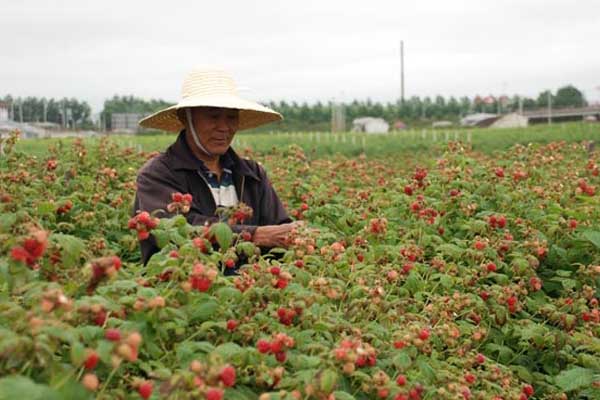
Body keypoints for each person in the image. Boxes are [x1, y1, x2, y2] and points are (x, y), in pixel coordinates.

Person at [133, 67, 299, 265]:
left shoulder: (252, 174)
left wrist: (296, 237)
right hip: (186, 291)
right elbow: (178, 232)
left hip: (252, 290)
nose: (224, 127)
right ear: (186, 118)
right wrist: (255, 235)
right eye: (213, 116)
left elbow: (280, 231)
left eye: (231, 117)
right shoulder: (158, 174)